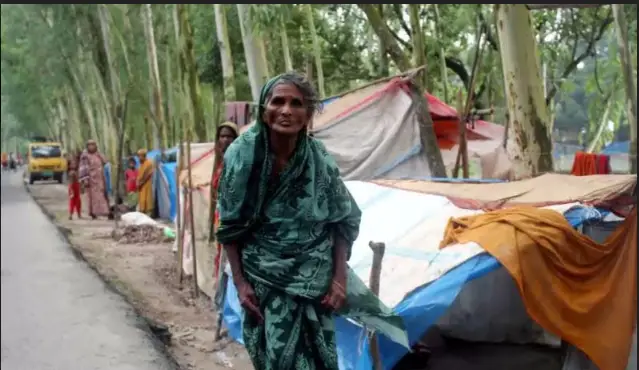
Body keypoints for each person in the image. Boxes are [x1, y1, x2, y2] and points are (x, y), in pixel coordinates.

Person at [216, 72, 408, 370]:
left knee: (320, 358)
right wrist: (240, 284)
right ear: (263, 110)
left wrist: (339, 279)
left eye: (297, 103)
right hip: (264, 277)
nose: (286, 110)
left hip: (314, 275)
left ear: (308, 114)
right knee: (275, 358)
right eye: (277, 101)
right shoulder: (242, 156)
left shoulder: (318, 158)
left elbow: (343, 219)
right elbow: (229, 226)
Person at [212, 121, 240, 279]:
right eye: (222, 136)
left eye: (229, 136)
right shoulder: (219, 163)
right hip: (221, 216)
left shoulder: (239, 162)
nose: (225, 140)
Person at [79, 139, 110, 219]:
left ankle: (103, 211)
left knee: (101, 194)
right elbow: (83, 168)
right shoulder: (85, 156)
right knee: (92, 197)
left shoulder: (98, 154)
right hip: (91, 179)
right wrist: (85, 180)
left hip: (100, 178)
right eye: (90, 145)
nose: (92, 146)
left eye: (93, 144)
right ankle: (93, 213)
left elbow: (105, 161)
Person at [136, 149, 154, 216]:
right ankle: (142, 212)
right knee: (142, 199)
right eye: (138, 156)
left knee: (147, 198)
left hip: (146, 184)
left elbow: (149, 174)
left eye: (140, 156)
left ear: (144, 156)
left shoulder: (148, 163)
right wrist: (138, 183)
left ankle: (148, 214)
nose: (139, 158)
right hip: (141, 186)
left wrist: (142, 183)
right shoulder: (141, 165)